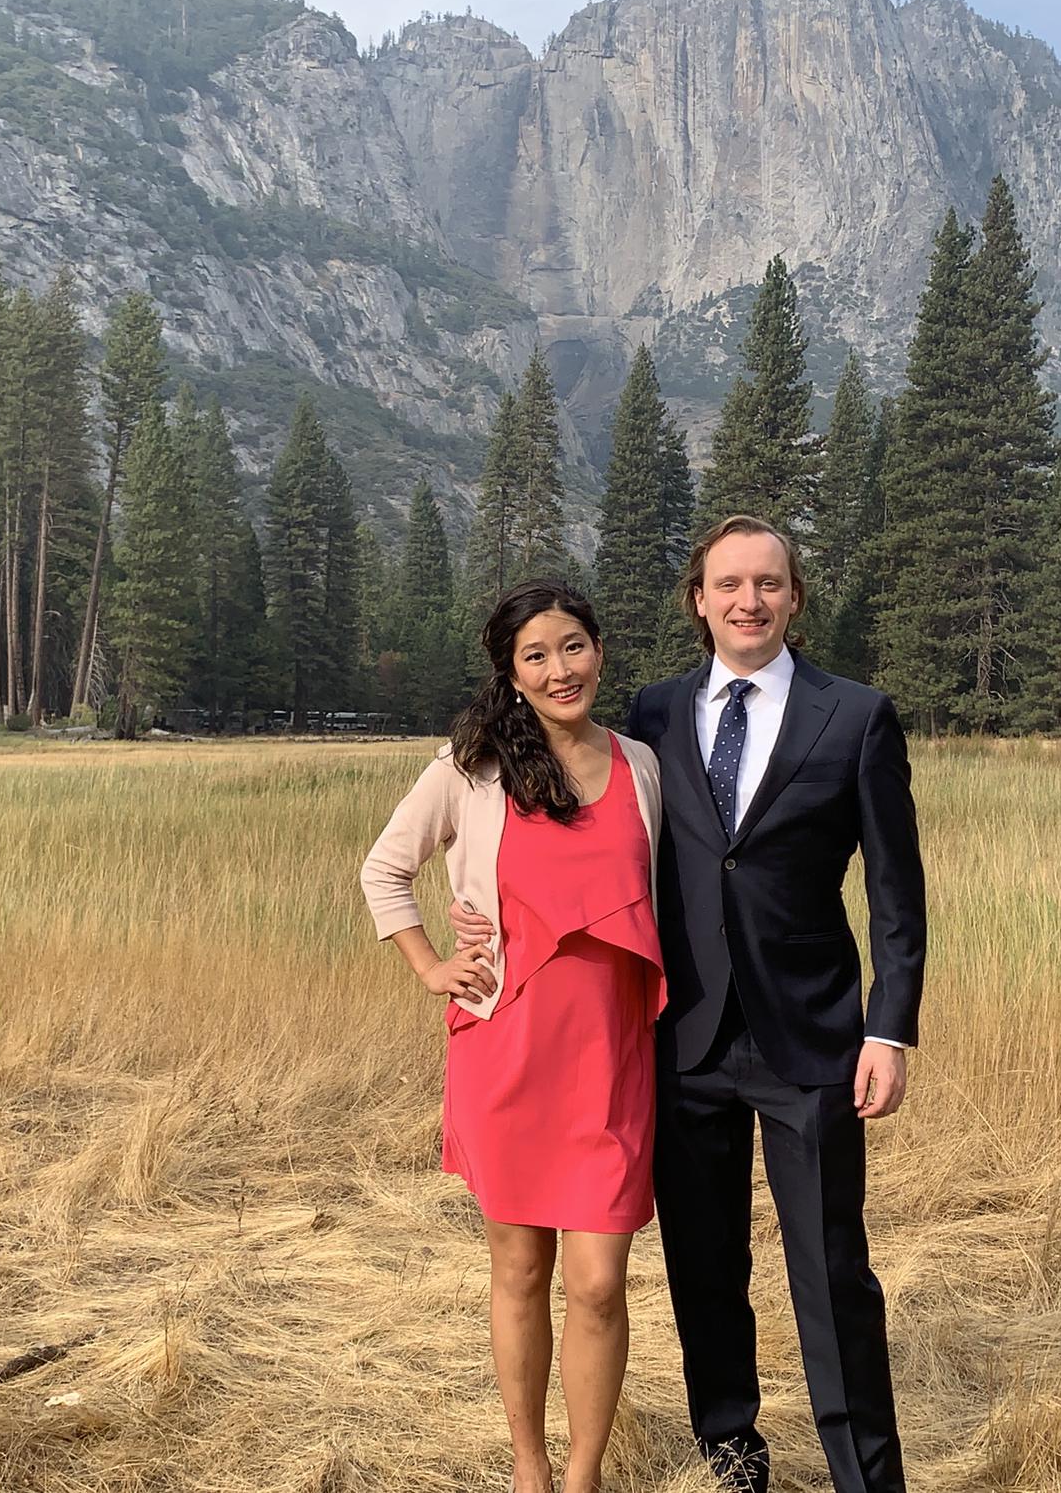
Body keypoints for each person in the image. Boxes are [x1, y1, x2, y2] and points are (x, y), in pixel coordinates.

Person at [454, 515, 926, 1493]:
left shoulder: (856, 717)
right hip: (679, 1035)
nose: (746, 601)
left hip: (813, 1039)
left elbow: (894, 891)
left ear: (793, 597)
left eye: (766, 583)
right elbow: (561, 833)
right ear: (697, 601)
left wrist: (888, 1026)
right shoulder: (654, 716)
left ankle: (863, 1476)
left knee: (830, 1274)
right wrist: (476, 922)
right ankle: (730, 1447)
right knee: (703, 1268)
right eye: (727, 585)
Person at [359, 579, 667, 1493]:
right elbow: (385, 869)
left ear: (599, 652)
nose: (559, 668)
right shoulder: (471, 767)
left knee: (600, 1281)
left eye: (573, 647)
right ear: (512, 672)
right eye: (536, 655)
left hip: (613, 1060)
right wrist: (428, 964)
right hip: (508, 1048)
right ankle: (532, 1469)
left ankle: (585, 1475)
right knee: (521, 1268)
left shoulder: (643, 765)